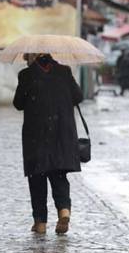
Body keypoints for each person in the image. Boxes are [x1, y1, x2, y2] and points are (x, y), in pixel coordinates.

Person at [13, 53, 83, 234]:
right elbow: (78, 97)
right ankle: (64, 210)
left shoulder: (26, 75)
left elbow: (18, 103)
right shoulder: (64, 72)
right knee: (59, 175)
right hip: (61, 133)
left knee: (37, 178)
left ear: (32, 56)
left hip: (36, 134)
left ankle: (40, 222)